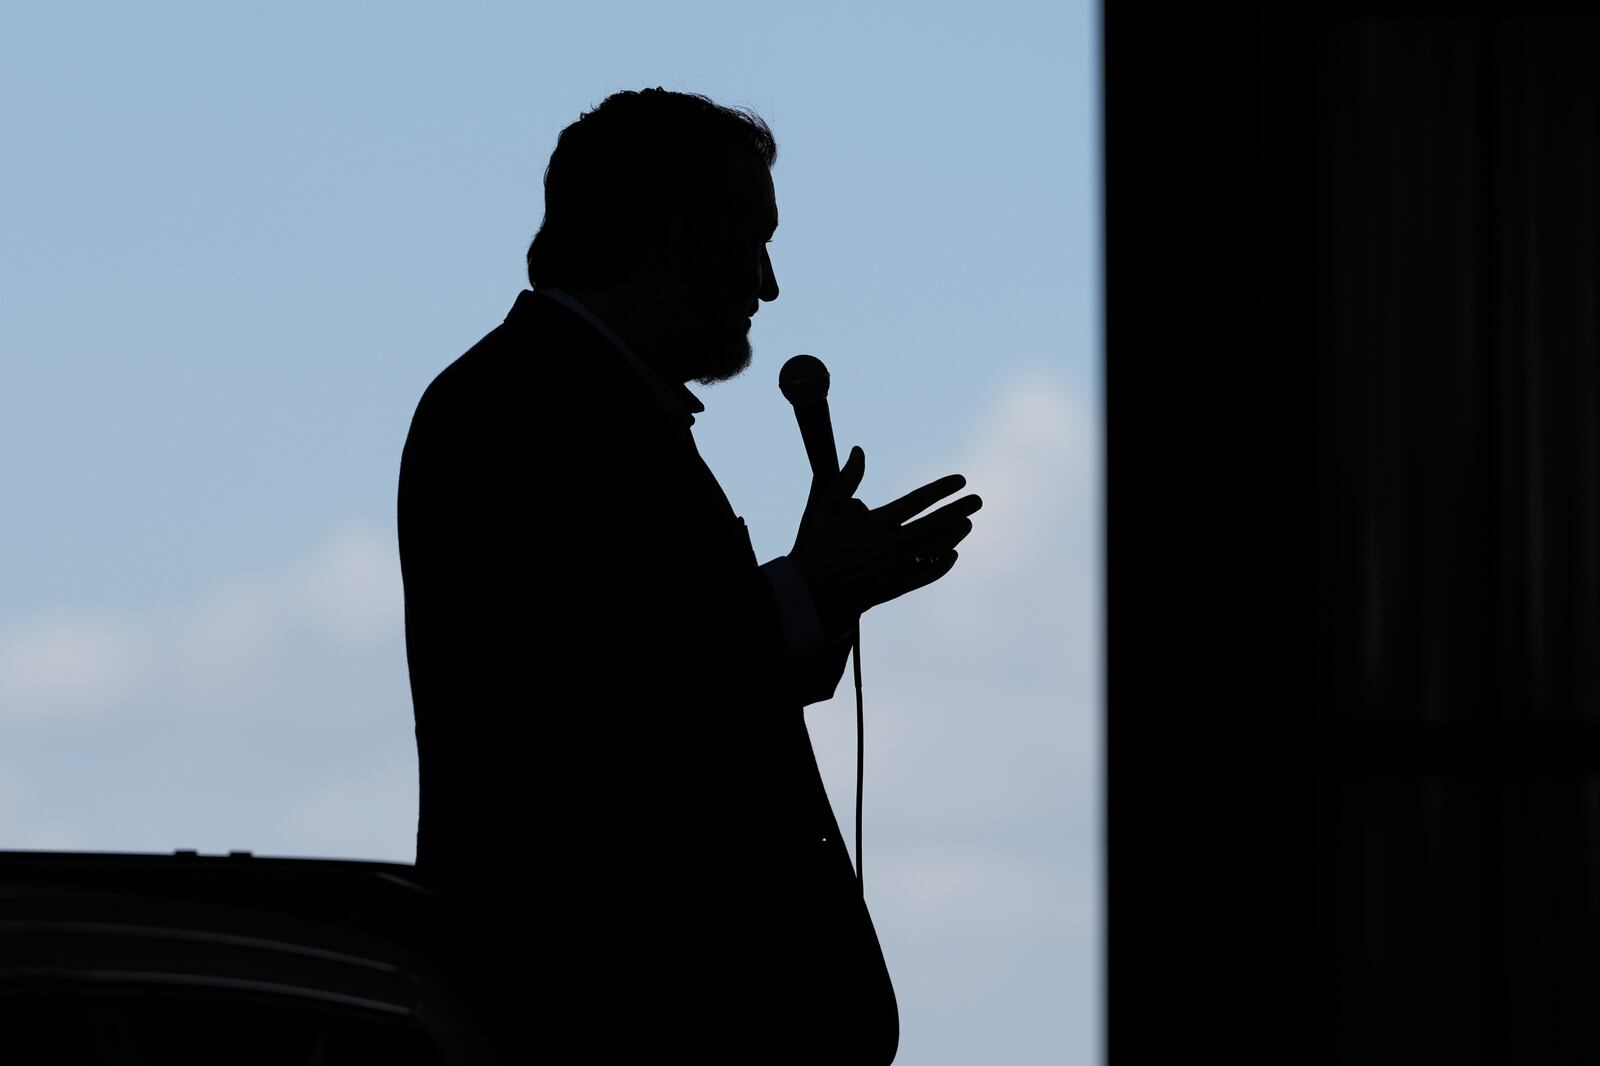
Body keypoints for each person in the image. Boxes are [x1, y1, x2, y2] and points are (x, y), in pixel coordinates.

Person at [397, 88, 981, 1063]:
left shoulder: (562, 398)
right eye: (753, 241)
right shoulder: (523, 408)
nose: (768, 284)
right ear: (676, 235)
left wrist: (817, 596)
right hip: (614, 1014)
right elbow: (603, 696)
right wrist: (802, 593)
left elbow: (662, 661)